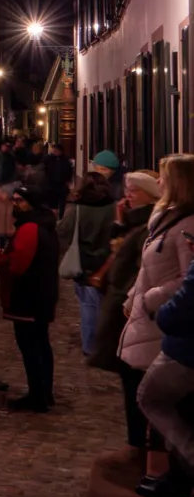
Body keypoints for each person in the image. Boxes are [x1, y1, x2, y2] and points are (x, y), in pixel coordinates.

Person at [121, 156, 194, 497]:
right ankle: (175, 478)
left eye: (164, 178)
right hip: (154, 318)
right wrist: (135, 295)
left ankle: (184, 472)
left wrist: (151, 300)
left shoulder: (186, 223)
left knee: (154, 398)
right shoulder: (167, 216)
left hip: (170, 325)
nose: (158, 184)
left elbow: (184, 278)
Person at [91, 171, 162, 459]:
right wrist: (120, 223)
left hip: (133, 310)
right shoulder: (136, 223)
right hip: (125, 307)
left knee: (137, 382)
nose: (127, 195)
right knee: (131, 379)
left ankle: (140, 446)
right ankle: (138, 443)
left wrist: (129, 298)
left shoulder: (149, 227)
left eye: (133, 190)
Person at [0, 187, 61, 412]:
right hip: (41, 293)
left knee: (32, 347)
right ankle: (43, 392)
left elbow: (16, 265)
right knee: (40, 344)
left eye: (20, 200)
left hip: (29, 296)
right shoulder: (41, 225)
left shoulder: (30, 228)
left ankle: (38, 395)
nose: (16, 204)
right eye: (14, 199)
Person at [57, 172, 116, 359]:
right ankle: (107, 343)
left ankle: (91, 346)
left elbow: (62, 232)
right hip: (108, 263)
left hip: (84, 264)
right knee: (104, 306)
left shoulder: (78, 210)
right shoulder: (115, 208)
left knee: (88, 307)